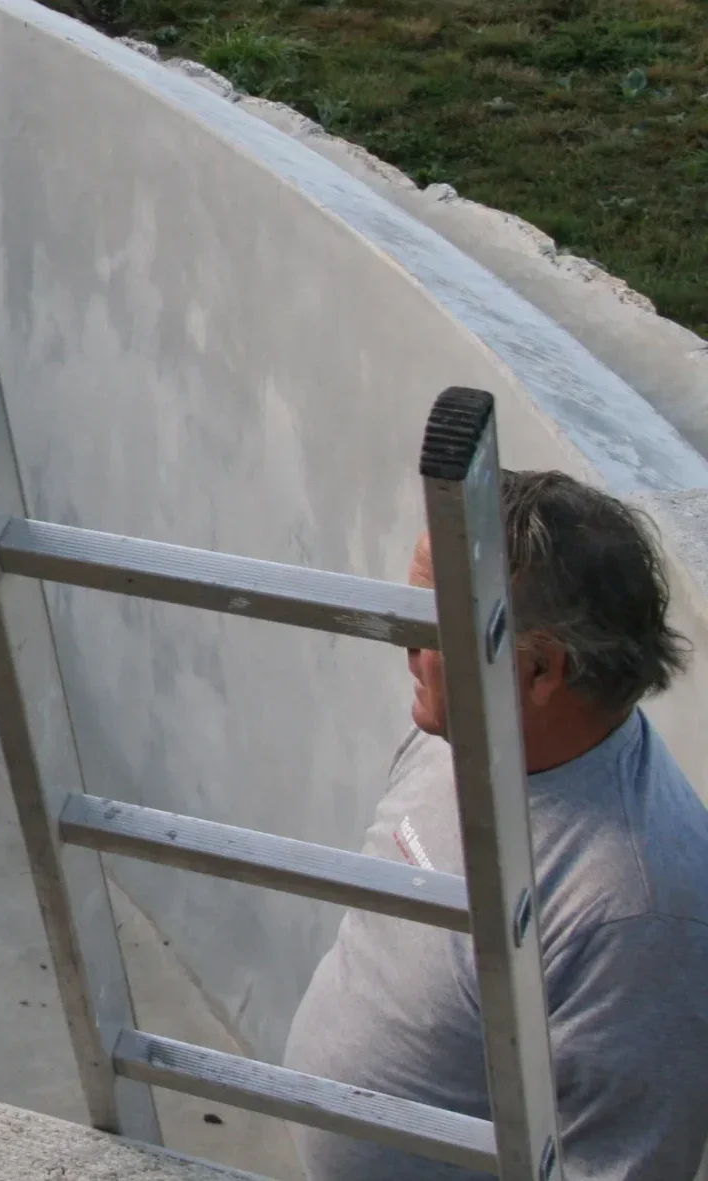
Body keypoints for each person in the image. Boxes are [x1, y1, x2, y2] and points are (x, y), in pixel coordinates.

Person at [282, 470, 708, 1181]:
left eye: (430, 627)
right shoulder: (460, 730)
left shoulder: (638, 913)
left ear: (539, 667)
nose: (406, 646)